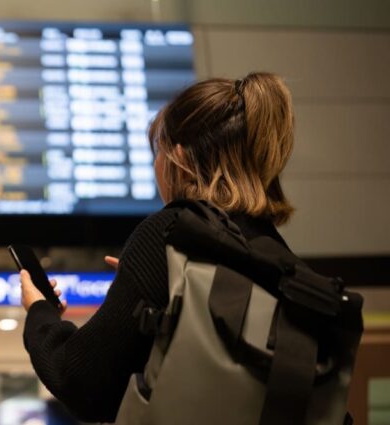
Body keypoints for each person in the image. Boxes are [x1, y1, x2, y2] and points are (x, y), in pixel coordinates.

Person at [19, 72, 297, 423]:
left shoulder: (169, 234)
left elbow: (82, 383)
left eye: (158, 152)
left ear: (177, 156)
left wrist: (39, 312)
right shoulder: (279, 255)